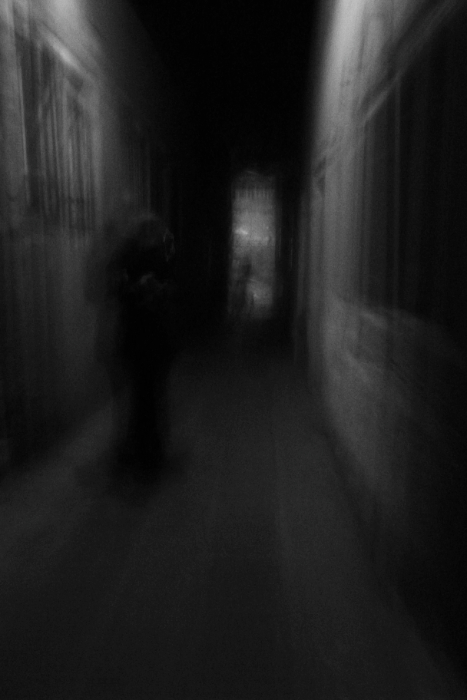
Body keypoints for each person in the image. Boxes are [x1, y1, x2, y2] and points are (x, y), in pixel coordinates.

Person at [106, 213, 178, 476]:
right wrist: (144, 289)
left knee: (144, 396)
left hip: (144, 337)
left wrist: (148, 289)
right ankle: (147, 451)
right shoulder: (147, 256)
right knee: (146, 396)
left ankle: (143, 450)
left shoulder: (148, 255)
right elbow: (119, 289)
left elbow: (169, 288)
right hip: (147, 337)